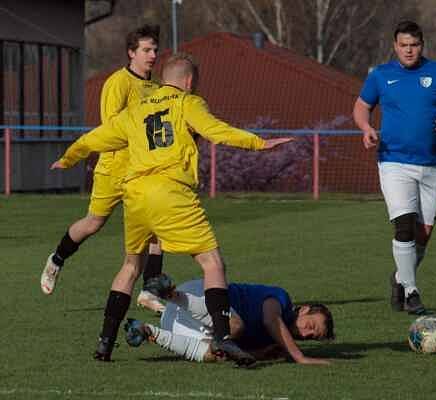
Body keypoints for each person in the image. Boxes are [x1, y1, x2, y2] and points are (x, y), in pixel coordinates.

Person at [50, 52, 293, 365]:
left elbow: (94, 138)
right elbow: (216, 131)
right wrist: (259, 143)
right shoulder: (187, 102)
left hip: (135, 195)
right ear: (189, 82)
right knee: (212, 262)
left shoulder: (135, 110)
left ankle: (104, 343)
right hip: (170, 191)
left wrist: (68, 158)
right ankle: (222, 337)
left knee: (130, 267)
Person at [40, 24, 167, 314]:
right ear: (131, 52)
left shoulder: (158, 87)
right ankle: (57, 259)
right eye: (146, 50)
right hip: (113, 169)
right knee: (92, 223)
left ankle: (150, 289)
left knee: (157, 229)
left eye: (155, 50)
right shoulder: (118, 83)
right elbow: (112, 128)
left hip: (143, 173)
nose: (152, 55)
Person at [353, 21, 436, 314]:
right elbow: (361, 106)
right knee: (403, 225)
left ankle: (400, 278)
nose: (409, 50)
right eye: (403, 45)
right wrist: (366, 127)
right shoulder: (380, 75)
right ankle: (412, 292)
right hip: (393, 162)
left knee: (423, 235)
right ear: (395, 46)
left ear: (421, 45)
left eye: (413, 45)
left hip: (430, 165)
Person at [125, 276, 334, 365]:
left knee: (215, 353)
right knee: (234, 326)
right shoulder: (281, 299)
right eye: (311, 325)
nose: (305, 334)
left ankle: (148, 331)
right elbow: (272, 320)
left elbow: (234, 351)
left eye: (311, 337)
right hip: (197, 295)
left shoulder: (271, 342)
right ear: (304, 309)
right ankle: (170, 294)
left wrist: (259, 354)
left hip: (175, 324)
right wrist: (300, 357)